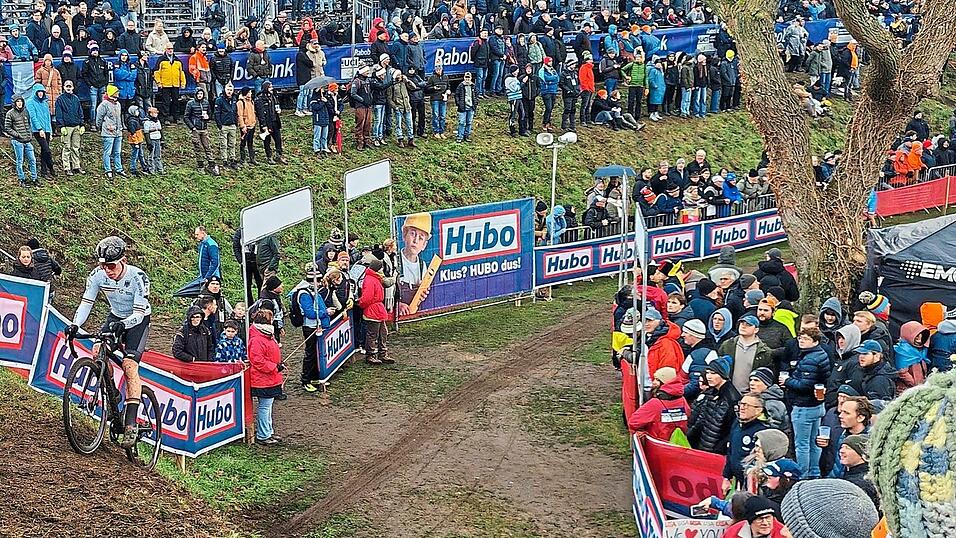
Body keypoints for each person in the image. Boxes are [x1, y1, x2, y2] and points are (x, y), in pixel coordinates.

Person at [69, 236, 150, 448]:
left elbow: (140, 313)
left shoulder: (137, 277)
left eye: (111, 265)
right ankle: (112, 395)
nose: (107, 270)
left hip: (138, 320)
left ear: (123, 260)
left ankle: (131, 421)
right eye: (103, 265)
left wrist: (126, 324)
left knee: (129, 365)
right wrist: (75, 324)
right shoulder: (97, 276)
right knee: (98, 350)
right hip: (115, 317)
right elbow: (87, 302)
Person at [784, 326, 830, 478]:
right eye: (800, 338)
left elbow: (805, 385)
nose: (801, 342)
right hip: (817, 405)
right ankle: (814, 473)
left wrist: (788, 381)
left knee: (802, 445)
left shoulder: (810, 359)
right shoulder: (821, 354)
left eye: (805, 339)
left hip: (804, 406)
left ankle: (801, 476)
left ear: (815, 341)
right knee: (813, 443)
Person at [688, 357, 740, 454]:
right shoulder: (711, 392)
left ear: (723, 374)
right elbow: (702, 419)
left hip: (717, 451)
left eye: (713, 373)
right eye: (707, 373)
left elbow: (731, 429)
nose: (709, 377)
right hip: (704, 445)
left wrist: (720, 448)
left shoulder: (731, 398)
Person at [291, 263, 331, 392]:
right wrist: (326, 312)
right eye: (318, 281)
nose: (320, 284)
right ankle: (306, 380)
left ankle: (313, 376)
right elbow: (310, 313)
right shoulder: (304, 294)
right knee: (310, 354)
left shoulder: (311, 291)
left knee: (315, 353)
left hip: (316, 326)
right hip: (310, 327)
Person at [248, 309, 283, 445]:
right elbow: (257, 360)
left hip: (270, 377)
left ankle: (268, 431)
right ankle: (263, 434)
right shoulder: (257, 339)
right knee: (265, 406)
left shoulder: (266, 334)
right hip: (263, 379)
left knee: (268, 406)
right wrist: (274, 367)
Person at [723, 392, 770, 490]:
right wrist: (727, 477)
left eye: (747, 405)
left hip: (752, 484)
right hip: (737, 482)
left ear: (758, 410)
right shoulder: (737, 423)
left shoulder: (763, 431)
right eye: (741, 404)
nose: (742, 407)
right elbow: (730, 451)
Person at [627, 367, 689, 441]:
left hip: (658, 445)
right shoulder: (682, 400)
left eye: (657, 380)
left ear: (665, 382)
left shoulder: (655, 404)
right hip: (679, 444)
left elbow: (633, 422)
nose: (653, 382)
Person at [720, 315, 772, 394]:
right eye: (742, 324)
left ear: (756, 330)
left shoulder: (764, 352)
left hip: (751, 395)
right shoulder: (727, 345)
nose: (743, 326)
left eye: (748, 325)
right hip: (727, 393)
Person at [360, 257, 393, 365]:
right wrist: (362, 304)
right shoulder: (370, 280)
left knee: (382, 333)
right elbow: (367, 298)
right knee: (373, 334)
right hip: (373, 309)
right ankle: (371, 355)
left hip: (377, 309)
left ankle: (382, 353)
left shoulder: (374, 278)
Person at [6, 95, 39, 187]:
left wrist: (30, 134)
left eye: (21, 101)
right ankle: (22, 179)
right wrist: (17, 135)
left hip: (27, 141)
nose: (20, 103)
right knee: (20, 161)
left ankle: (34, 178)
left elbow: (28, 124)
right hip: (17, 141)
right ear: (14, 103)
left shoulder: (25, 111)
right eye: (18, 101)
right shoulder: (10, 113)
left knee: (32, 160)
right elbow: (7, 128)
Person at [25, 83, 55, 181]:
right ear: (35, 92)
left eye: (42, 92)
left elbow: (48, 118)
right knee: (46, 150)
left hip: (46, 129)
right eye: (39, 92)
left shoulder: (45, 102)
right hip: (38, 130)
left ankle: (44, 171)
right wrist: (39, 129)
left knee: (44, 151)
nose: (41, 94)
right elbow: (33, 117)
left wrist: (50, 131)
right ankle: (51, 167)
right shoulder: (30, 102)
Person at [55, 80, 84, 176]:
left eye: (70, 86)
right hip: (66, 127)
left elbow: (80, 112)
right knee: (67, 147)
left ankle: (76, 166)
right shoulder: (60, 99)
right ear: (64, 87)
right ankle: (67, 167)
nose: (68, 88)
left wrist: (82, 124)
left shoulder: (76, 99)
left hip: (76, 126)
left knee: (76, 147)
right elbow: (58, 114)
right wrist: (61, 126)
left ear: (72, 87)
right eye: (67, 86)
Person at [95, 85, 124, 179]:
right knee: (107, 152)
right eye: (116, 92)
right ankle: (108, 170)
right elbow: (99, 117)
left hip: (118, 132)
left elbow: (119, 117)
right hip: (108, 133)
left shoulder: (118, 104)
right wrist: (100, 127)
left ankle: (119, 169)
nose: (118, 93)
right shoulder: (104, 104)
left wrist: (121, 128)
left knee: (117, 152)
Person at [724, 495, 789, 538]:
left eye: (768, 517)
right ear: (750, 521)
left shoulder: (784, 534)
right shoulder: (733, 533)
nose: (765, 523)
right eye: (760, 519)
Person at [749, 367, 789, 432]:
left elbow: (772, 430)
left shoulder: (773, 404)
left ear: (767, 383)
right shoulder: (751, 399)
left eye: (756, 380)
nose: (751, 383)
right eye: (750, 380)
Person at [255, 81, 286, 164]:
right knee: (267, 141)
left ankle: (278, 155)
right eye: (270, 87)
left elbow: (277, 105)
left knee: (278, 139)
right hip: (267, 123)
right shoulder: (260, 99)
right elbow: (260, 114)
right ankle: (269, 156)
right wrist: (263, 125)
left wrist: (278, 110)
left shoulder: (273, 97)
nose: (272, 88)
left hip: (275, 121)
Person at [154, 44, 186, 124]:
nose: (170, 50)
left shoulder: (177, 60)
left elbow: (181, 72)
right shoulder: (161, 59)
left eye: (171, 49)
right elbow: (156, 72)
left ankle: (177, 118)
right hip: (165, 85)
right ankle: (166, 118)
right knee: (166, 102)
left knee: (176, 101)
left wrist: (183, 82)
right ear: (165, 49)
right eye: (168, 49)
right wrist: (158, 82)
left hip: (175, 84)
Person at [214, 83, 239, 169]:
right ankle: (224, 160)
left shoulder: (234, 99)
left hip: (232, 125)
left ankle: (232, 159)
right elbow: (217, 113)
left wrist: (236, 123)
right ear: (225, 89)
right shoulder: (219, 100)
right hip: (224, 125)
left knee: (232, 144)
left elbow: (235, 112)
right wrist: (219, 125)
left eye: (231, 90)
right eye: (228, 90)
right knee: (223, 144)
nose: (229, 92)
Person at [455, 71, 478, 142]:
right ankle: (460, 137)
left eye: (469, 77)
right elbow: (456, 95)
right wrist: (459, 104)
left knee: (469, 122)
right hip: (462, 107)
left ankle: (466, 136)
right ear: (464, 77)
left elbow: (476, 95)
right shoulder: (460, 86)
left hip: (471, 108)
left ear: (471, 78)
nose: (467, 79)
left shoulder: (473, 86)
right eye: (466, 77)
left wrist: (475, 103)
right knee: (461, 122)